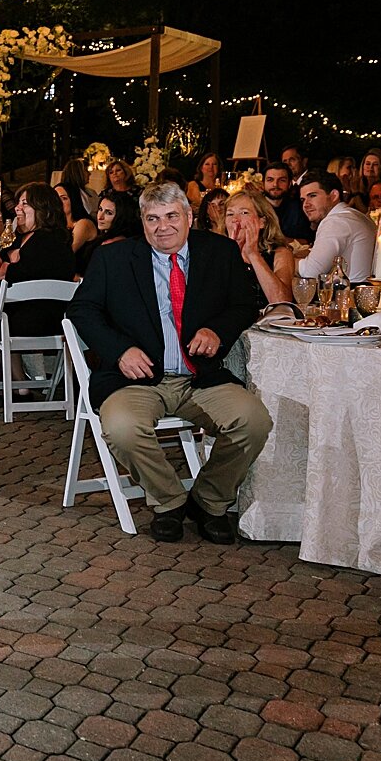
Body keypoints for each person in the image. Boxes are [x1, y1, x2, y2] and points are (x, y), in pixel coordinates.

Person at [66, 181, 270, 546]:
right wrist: (120, 350)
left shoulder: (219, 252)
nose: (163, 226)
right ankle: (169, 501)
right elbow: (82, 309)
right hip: (137, 380)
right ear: (142, 222)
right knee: (123, 428)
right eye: (152, 218)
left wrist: (217, 331)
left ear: (189, 217)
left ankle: (210, 501)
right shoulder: (114, 259)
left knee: (253, 421)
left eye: (172, 216)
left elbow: (243, 304)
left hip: (200, 377)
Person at [0, 182, 75, 404]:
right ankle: (21, 387)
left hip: (25, 320)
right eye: (18, 203)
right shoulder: (57, 239)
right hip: (55, 321)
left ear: (44, 210)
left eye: (25, 204)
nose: (17, 208)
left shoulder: (40, 243)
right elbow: (8, 259)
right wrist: (10, 253)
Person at [296, 172, 378, 280]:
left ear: (334, 195)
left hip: (351, 294)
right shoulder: (357, 216)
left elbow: (310, 273)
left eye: (312, 196)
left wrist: (285, 259)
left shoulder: (336, 222)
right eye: (303, 200)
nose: (306, 205)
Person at [223, 190, 294, 307]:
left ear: (262, 222)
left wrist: (253, 254)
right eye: (230, 214)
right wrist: (231, 255)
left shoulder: (280, 253)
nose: (235, 219)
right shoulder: (217, 254)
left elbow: (282, 302)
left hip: (268, 323)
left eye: (244, 213)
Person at [262, 163, 313, 243]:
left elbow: (308, 240)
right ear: (263, 183)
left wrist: (283, 241)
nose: (275, 184)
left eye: (282, 180)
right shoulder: (254, 207)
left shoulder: (299, 208)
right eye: (270, 180)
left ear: (289, 184)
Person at [54, 173, 98, 255]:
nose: (58, 202)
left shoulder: (84, 223)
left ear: (74, 201)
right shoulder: (55, 224)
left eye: (64, 198)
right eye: (55, 198)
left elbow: (67, 254)